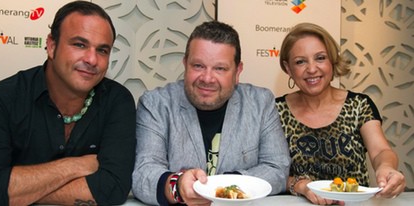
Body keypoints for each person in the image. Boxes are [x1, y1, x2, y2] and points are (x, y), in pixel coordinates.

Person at [0, 1, 136, 205]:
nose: (92, 59)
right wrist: (75, 166)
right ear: (52, 46)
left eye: (102, 50)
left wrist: (20, 192)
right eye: (79, 44)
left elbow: (113, 190)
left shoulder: (118, 101)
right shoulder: (2, 99)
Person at [132, 20, 291, 205]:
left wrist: (224, 188)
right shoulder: (155, 104)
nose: (207, 78)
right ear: (185, 64)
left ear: (237, 71)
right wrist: (178, 186)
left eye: (220, 68)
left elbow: (277, 168)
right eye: (198, 66)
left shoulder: (261, 103)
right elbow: (143, 173)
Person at [276, 22, 406, 205]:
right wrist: (301, 186)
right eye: (300, 62)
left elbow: (381, 151)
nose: (312, 69)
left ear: (332, 61)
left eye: (320, 58)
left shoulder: (359, 105)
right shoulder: (275, 111)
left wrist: (386, 167)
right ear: (288, 68)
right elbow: (269, 171)